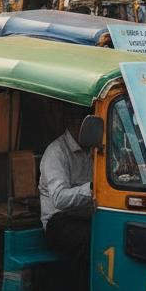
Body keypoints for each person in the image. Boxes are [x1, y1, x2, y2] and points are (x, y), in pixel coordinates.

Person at [39, 103, 93, 261]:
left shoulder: (96, 149)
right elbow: (59, 198)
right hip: (59, 221)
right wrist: (92, 189)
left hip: (88, 216)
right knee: (93, 239)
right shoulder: (56, 153)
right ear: (73, 122)